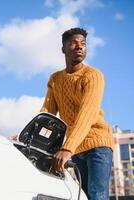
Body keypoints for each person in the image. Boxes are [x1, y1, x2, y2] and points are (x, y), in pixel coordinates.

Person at [40, 27, 114, 200]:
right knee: (83, 196)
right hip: (76, 148)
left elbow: (86, 114)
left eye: (83, 44)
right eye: (73, 43)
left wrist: (67, 148)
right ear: (63, 49)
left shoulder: (93, 75)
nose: (80, 47)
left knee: (97, 195)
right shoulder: (55, 79)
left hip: (98, 145)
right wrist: (27, 135)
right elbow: (47, 113)